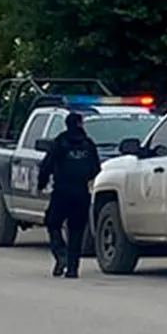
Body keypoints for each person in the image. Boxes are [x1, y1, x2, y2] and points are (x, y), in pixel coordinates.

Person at [36, 112, 101, 278]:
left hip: (62, 192)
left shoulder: (60, 142)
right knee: (77, 230)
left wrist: (41, 184)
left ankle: (60, 253)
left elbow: (47, 165)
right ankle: (73, 268)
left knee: (52, 222)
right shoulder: (89, 144)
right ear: (80, 124)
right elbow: (96, 169)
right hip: (81, 193)